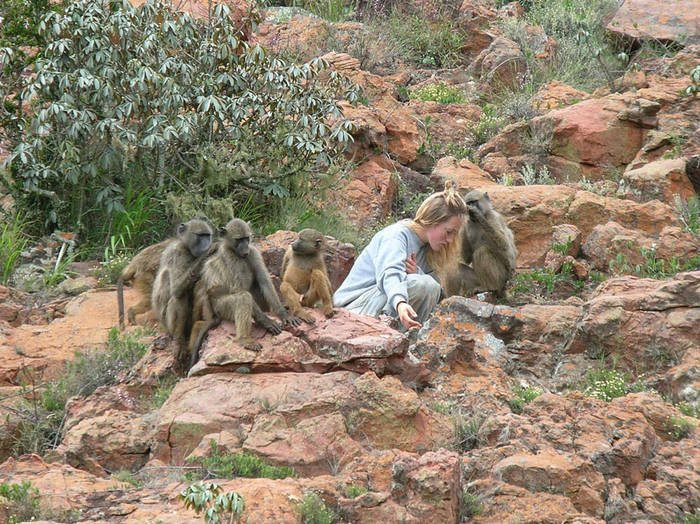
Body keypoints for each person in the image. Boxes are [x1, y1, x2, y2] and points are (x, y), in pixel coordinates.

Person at [333, 182, 468, 331]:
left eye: (454, 234)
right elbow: (390, 274)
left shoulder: (428, 249)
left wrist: (419, 274)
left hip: (376, 305)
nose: (450, 240)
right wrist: (400, 302)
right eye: (448, 232)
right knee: (423, 285)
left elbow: (437, 292)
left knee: (427, 284)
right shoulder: (396, 236)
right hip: (350, 312)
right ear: (433, 220)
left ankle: (402, 342)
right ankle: (385, 337)